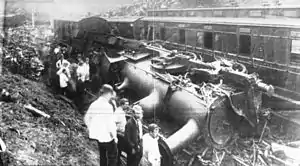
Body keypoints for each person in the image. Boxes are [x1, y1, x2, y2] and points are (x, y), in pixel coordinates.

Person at [84, 84, 118, 166]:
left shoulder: (94, 104)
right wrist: (114, 137)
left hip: (98, 137)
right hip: (108, 137)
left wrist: (91, 129)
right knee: (112, 157)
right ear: (108, 94)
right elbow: (110, 124)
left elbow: (86, 118)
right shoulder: (108, 106)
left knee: (103, 157)